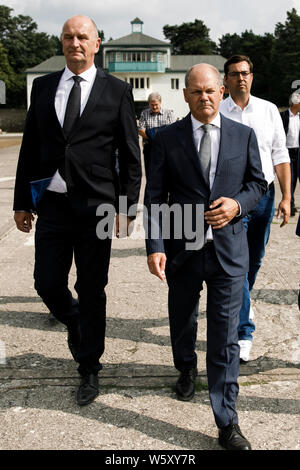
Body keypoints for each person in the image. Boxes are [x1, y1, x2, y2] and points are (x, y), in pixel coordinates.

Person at [13, 15, 141, 406]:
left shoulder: (116, 90)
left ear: (97, 43)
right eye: (68, 37)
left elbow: (130, 155)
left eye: (82, 37)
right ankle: (75, 322)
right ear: (62, 43)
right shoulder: (43, 86)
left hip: (96, 206)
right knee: (46, 283)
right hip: (51, 203)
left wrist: (127, 207)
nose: (75, 43)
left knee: (91, 287)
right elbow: (30, 146)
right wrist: (22, 201)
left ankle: (89, 367)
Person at [144, 63, 267, 450]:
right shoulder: (164, 139)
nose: (205, 97)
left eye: (211, 90)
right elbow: (154, 198)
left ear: (223, 91)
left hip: (229, 252)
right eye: (197, 92)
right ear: (186, 95)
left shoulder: (243, 135)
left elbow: (257, 184)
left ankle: (227, 421)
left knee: (225, 338)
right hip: (182, 250)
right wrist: (156, 247)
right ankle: (185, 368)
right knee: (182, 320)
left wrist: (237, 204)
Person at [220, 55, 291, 363]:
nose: (241, 78)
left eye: (245, 73)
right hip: (233, 198)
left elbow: (280, 153)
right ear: (226, 79)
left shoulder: (268, 110)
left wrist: (287, 197)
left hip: (263, 195)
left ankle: (235, 301)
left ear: (252, 76)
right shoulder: (218, 109)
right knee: (238, 263)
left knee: (254, 261)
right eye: (234, 74)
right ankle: (243, 331)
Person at [138, 92, 175, 177]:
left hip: (165, 148)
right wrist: (159, 136)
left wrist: (152, 134)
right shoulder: (144, 113)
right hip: (149, 148)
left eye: (156, 104)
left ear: (160, 103)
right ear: (149, 104)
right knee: (150, 174)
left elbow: (172, 130)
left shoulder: (168, 113)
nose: (154, 107)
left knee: (166, 174)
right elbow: (140, 130)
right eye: (152, 105)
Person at [280, 92, 300, 216]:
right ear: (294, 103)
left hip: (299, 152)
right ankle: (290, 204)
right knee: (290, 179)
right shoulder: (283, 116)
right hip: (287, 152)